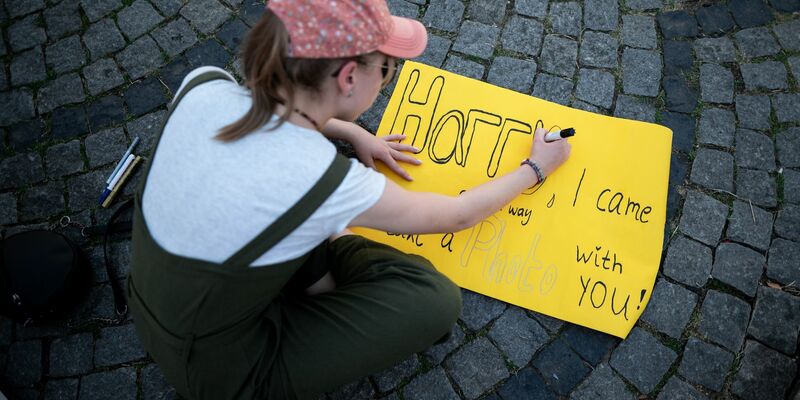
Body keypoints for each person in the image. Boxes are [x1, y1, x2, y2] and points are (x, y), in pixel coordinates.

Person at [127, 0, 571, 399]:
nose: (387, 77)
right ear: (348, 76)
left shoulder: (202, 83)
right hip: (220, 376)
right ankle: (331, 247)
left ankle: (315, 260)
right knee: (435, 300)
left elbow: (268, 108)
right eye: (387, 68)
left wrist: (354, 131)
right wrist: (535, 168)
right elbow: (456, 215)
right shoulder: (320, 176)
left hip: (156, 307)